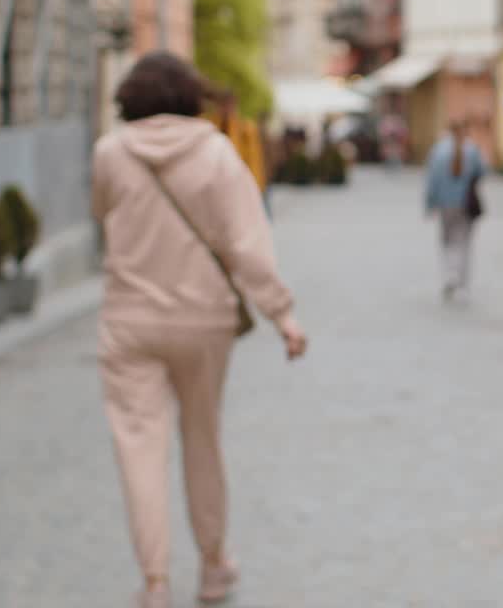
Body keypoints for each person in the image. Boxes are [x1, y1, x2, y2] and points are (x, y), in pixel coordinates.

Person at [91, 52, 308, 608]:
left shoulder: (111, 153)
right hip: (204, 321)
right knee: (202, 441)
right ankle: (213, 567)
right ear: (191, 96)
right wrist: (281, 313)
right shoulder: (215, 152)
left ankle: (156, 583)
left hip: (130, 320)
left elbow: (101, 215)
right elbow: (246, 242)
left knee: (140, 448)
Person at [425, 119, 485, 302]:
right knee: (464, 243)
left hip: (446, 205)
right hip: (466, 205)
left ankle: (449, 274)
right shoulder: (473, 150)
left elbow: (431, 181)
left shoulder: (438, 151)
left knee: (447, 241)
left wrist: (429, 204)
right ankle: (462, 281)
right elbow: (482, 172)